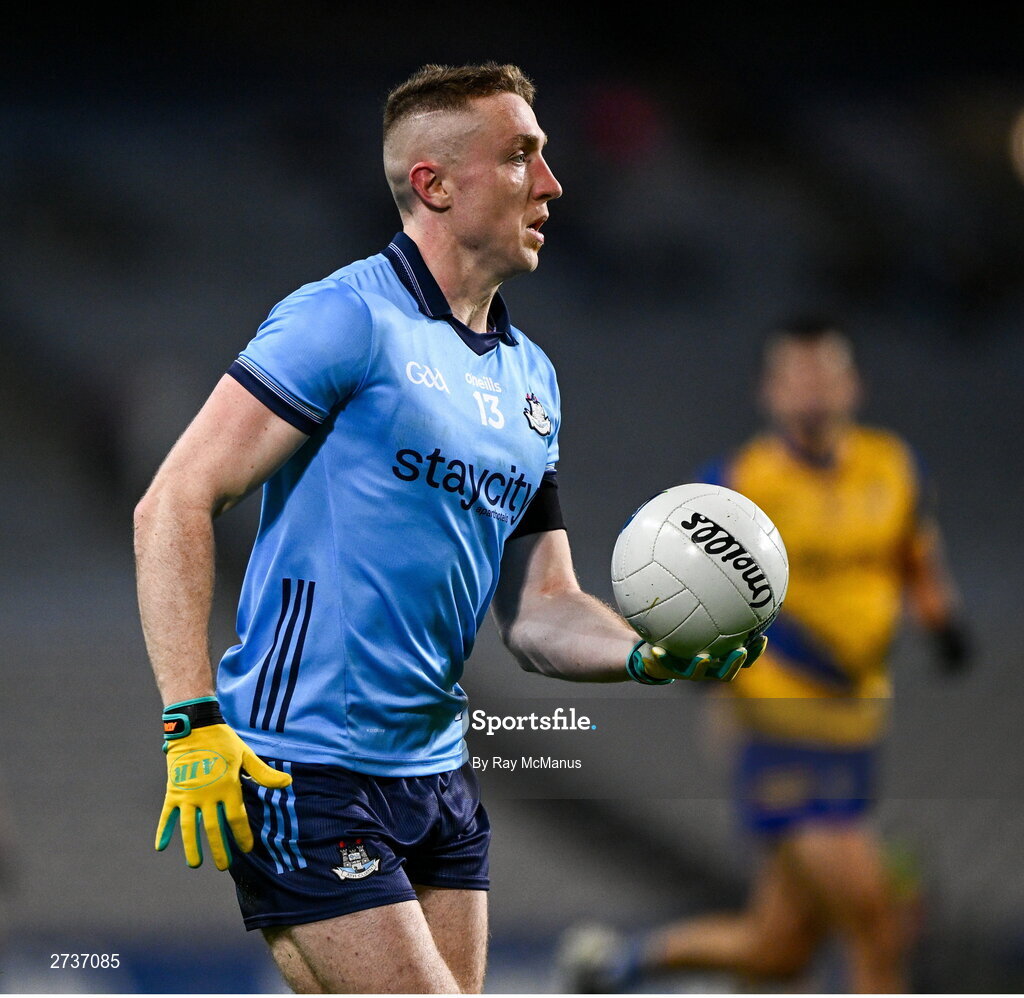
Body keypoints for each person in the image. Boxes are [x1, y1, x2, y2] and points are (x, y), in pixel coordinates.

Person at [132, 62, 766, 995]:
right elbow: (173, 504)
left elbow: (543, 610)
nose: (551, 184)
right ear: (432, 184)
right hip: (304, 766)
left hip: (437, 781)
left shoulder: (533, 384)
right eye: (521, 157)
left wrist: (644, 653)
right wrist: (191, 723)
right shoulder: (344, 320)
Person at [558, 316, 971, 994]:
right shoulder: (738, 486)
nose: (811, 389)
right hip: (777, 730)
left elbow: (915, 554)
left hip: (858, 727)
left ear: (854, 385)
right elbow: (675, 578)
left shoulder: (893, 468)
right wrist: (688, 649)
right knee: (878, 920)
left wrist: (941, 619)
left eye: (825, 373)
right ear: (769, 393)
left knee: (778, 949)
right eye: (795, 375)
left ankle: (621, 964)